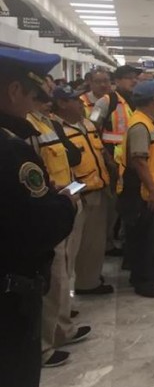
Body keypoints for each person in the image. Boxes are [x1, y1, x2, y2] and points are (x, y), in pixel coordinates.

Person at [0, 48, 78, 387]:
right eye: (33, 97)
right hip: (11, 298)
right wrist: (62, 205)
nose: (35, 107)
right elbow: (37, 226)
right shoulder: (11, 150)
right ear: (14, 90)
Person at [27, 89, 90, 369]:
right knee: (52, 278)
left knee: (65, 270)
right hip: (50, 208)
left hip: (67, 200)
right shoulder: (26, 127)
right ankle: (43, 346)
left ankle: (63, 329)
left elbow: (69, 158)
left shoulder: (48, 122)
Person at [51, 86, 115, 296]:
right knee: (73, 247)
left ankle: (88, 281)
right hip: (78, 194)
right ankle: (69, 294)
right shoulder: (55, 128)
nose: (80, 104)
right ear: (61, 103)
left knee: (93, 243)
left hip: (98, 187)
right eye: (73, 100)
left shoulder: (86, 123)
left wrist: (108, 159)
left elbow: (98, 147)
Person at [117, 81, 154, 298]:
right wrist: (153, 191)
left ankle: (147, 272)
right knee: (143, 238)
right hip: (142, 192)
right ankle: (143, 280)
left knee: (151, 237)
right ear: (153, 99)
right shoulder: (140, 125)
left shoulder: (152, 122)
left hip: (153, 189)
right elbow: (139, 161)